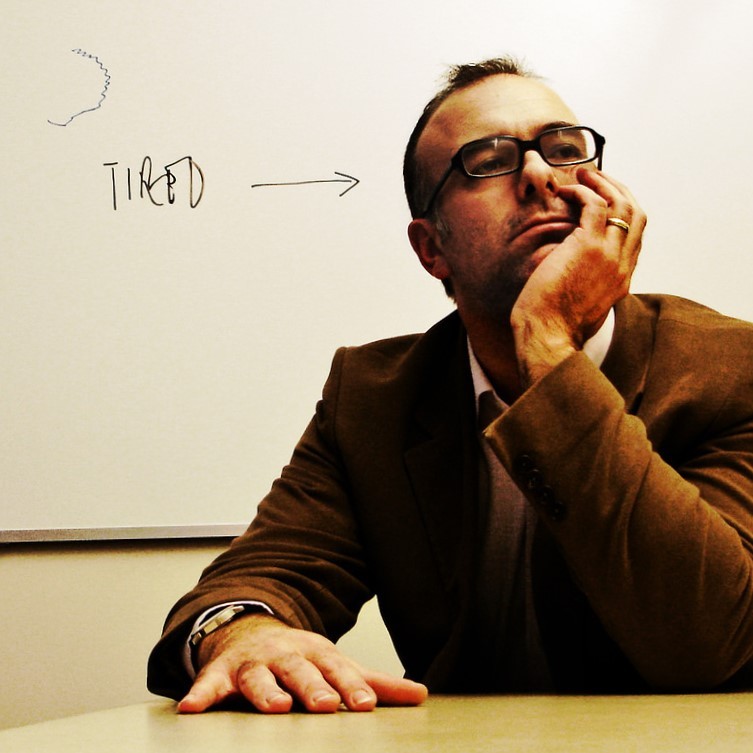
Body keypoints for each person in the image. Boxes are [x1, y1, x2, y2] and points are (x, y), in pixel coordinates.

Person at [147, 56, 753, 713]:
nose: (538, 174)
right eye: (487, 160)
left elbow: (710, 641)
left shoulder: (727, 366)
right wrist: (245, 632)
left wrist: (548, 350)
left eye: (564, 149)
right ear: (430, 248)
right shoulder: (374, 397)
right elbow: (260, 577)